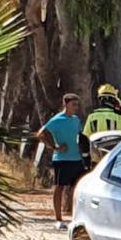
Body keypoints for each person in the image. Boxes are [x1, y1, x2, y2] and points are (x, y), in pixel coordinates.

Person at [37, 94, 83, 231]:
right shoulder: (57, 119)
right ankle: (58, 219)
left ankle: (76, 216)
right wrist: (54, 146)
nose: (76, 107)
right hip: (62, 159)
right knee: (59, 187)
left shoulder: (76, 120)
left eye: (77, 105)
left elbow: (79, 136)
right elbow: (41, 133)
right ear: (66, 104)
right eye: (73, 104)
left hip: (77, 158)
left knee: (77, 188)